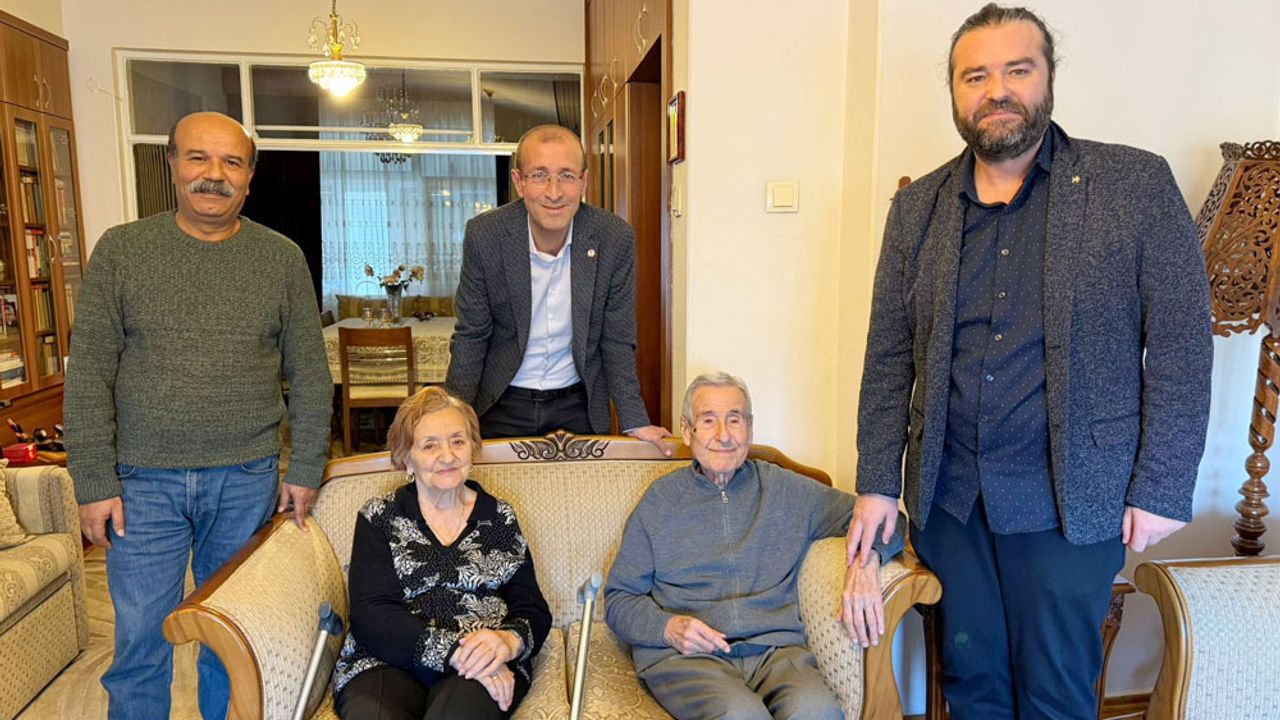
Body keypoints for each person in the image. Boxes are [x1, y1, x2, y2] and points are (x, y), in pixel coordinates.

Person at [848, 5, 1213, 719]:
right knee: (973, 688)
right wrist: (877, 484)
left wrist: (1163, 485)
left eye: (1017, 69)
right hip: (951, 503)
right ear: (955, 92)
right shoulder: (917, 208)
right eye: (975, 76)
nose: (997, 90)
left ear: (1048, 78)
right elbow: (888, 354)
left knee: (1056, 697)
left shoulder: (1133, 185)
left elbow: (1180, 342)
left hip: (1070, 504)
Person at [64, 111, 333, 719]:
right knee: (140, 641)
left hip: (246, 478)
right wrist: (94, 480)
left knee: (231, 638)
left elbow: (311, 374)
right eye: (198, 158)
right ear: (172, 165)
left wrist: (306, 466)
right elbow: (88, 376)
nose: (214, 174)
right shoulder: (122, 251)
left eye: (232, 162)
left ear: (250, 176)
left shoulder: (280, 258)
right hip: (141, 485)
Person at [605, 371, 905, 720]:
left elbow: (887, 520)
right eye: (708, 421)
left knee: (818, 711)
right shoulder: (660, 501)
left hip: (775, 651)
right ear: (687, 430)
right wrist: (668, 628)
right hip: (689, 658)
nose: (723, 436)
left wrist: (868, 561)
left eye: (734, 420)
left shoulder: (785, 489)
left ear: (749, 428)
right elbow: (619, 598)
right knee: (741, 715)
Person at [444, 124, 671, 452]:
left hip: (577, 405)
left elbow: (617, 340)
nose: (554, 192)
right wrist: (453, 419)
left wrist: (635, 421)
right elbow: (472, 334)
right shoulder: (486, 236)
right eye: (539, 175)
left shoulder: (613, 238)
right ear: (519, 182)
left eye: (566, 175)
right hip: (499, 401)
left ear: (584, 181)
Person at [332, 387, 552, 719]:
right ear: (406, 457)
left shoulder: (499, 518)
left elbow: (531, 606)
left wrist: (509, 641)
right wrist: (452, 653)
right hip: (387, 661)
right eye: (430, 445)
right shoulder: (380, 517)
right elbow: (372, 613)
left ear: (473, 448)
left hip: (481, 664)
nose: (447, 456)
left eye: (457, 442)